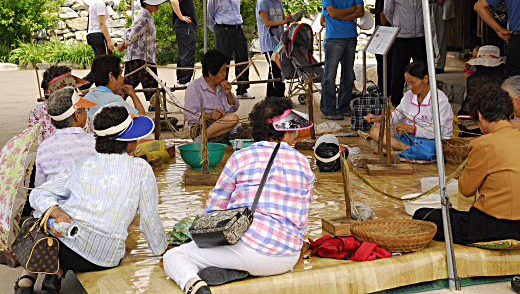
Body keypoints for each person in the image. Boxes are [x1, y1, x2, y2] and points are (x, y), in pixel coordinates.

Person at [163, 97, 315, 294]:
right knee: (240, 254)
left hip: (249, 250)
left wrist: (201, 234)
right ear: (286, 130)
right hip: (288, 257)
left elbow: (215, 206)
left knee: (174, 256)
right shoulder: (303, 163)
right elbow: (302, 214)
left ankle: (195, 285)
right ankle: (238, 267)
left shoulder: (241, 157)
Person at [15, 106, 166, 294]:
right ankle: (52, 273)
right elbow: (149, 222)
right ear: (128, 142)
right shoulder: (142, 169)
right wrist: (163, 250)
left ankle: (32, 277)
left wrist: (58, 213)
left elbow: (37, 194)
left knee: (40, 222)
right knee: (51, 221)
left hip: (67, 250)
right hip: (107, 257)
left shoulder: (81, 164)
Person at [413, 84, 520, 245]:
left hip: (490, 229)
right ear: (509, 113)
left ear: (480, 116)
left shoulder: (483, 144)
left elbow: (466, 190)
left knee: (423, 215)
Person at [364, 61, 453, 161]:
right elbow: (396, 117)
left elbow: (438, 131)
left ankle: (396, 152)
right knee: (374, 131)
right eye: (407, 83)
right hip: (408, 138)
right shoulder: (408, 96)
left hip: (431, 141)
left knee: (428, 152)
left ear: (426, 79)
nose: (410, 87)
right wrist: (379, 118)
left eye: (413, 83)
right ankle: (408, 150)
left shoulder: (440, 100)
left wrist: (414, 129)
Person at [319, 0, 364, 120]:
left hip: (350, 37)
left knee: (347, 75)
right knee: (330, 76)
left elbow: (360, 12)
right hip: (334, 38)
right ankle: (328, 109)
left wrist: (341, 15)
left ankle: (344, 107)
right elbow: (332, 13)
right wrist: (350, 10)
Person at [383, 0, 427, 106]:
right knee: (398, 73)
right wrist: (399, 25)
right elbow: (388, 11)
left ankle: (422, 101)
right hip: (401, 37)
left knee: (422, 71)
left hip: (420, 36)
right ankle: (396, 103)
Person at [35, 87, 97, 188]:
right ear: (77, 115)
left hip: (55, 203)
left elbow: (40, 186)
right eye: (85, 109)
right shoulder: (96, 143)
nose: (86, 113)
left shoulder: (44, 147)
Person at [206, 0, 254, 99]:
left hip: (238, 29)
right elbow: (209, 18)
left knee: (243, 59)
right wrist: (218, 31)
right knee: (223, 62)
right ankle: (221, 90)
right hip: (223, 30)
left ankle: (242, 89)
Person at [119, 0, 169, 103]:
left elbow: (131, 30)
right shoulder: (144, 16)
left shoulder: (147, 15)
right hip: (140, 56)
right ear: (147, 4)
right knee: (150, 82)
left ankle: (118, 101)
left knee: (129, 81)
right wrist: (125, 43)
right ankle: (154, 106)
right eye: (155, 3)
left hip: (139, 55)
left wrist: (125, 42)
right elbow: (133, 33)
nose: (157, 5)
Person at [183, 50, 241, 142]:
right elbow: (189, 115)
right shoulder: (195, 87)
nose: (225, 74)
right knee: (233, 119)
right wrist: (209, 115)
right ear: (210, 73)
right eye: (222, 71)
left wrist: (229, 93)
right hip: (202, 128)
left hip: (223, 126)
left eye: (225, 70)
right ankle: (201, 139)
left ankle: (211, 139)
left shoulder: (221, 85)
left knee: (246, 130)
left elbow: (233, 109)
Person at [28, 65, 92, 143]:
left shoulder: (36, 111)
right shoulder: (37, 112)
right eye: (73, 89)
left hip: (48, 151)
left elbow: (35, 142)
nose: (77, 91)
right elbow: (89, 133)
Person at [256, 0, 291, 97]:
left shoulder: (278, 1)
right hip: (269, 41)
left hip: (279, 41)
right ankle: (277, 98)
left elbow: (281, 18)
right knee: (274, 72)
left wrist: (289, 19)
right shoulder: (263, 1)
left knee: (278, 71)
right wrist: (283, 21)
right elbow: (267, 22)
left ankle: (274, 98)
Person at [84, 54, 146, 120]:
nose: (122, 78)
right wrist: (133, 95)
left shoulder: (87, 97)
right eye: (120, 74)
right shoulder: (115, 100)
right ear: (111, 76)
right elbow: (142, 117)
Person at [82, 0, 115, 87]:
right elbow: (102, 23)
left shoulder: (95, 1)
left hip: (93, 35)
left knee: (100, 64)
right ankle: (83, 84)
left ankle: (85, 84)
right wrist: (109, 40)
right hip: (98, 35)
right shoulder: (99, 3)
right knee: (105, 64)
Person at [170, 0, 198, 88]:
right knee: (188, 52)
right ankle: (184, 80)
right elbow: (174, 0)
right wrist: (181, 16)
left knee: (184, 52)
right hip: (185, 26)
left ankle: (182, 79)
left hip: (183, 27)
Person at [365, 0, 392, 91]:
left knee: (383, 63)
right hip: (385, 33)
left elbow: (383, 15)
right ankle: (383, 86)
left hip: (383, 34)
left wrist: (382, 33)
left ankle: (383, 88)